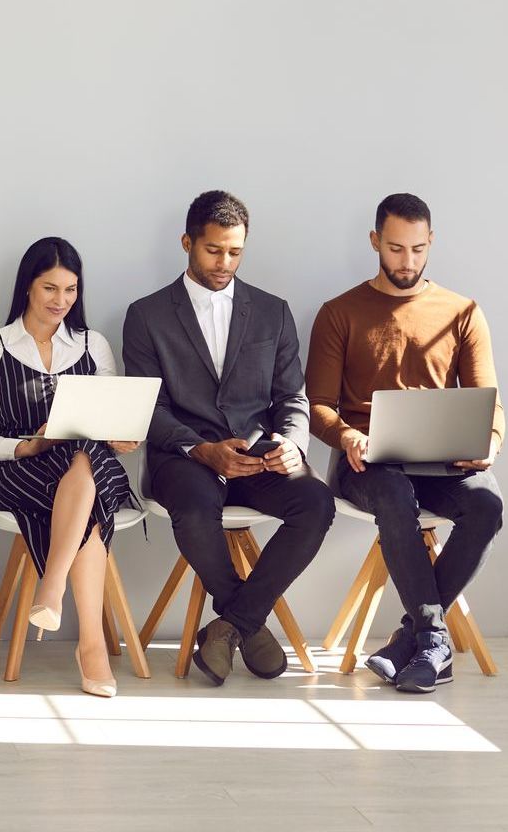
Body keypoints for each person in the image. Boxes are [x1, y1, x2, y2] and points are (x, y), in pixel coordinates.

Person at [121, 190, 334, 686]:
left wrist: (290, 444)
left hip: (260, 454)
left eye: (235, 252)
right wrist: (201, 449)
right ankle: (249, 622)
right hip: (184, 456)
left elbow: (293, 398)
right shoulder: (146, 315)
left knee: (317, 504)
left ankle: (231, 624)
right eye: (213, 250)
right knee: (196, 508)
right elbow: (148, 406)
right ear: (187, 243)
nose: (224, 262)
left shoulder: (273, 312)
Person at [307, 193, 505, 694]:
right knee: (395, 496)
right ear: (375, 241)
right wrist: (347, 434)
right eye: (395, 249)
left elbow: (491, 402)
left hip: (440, 461)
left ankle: (411, 636)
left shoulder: (463, 312)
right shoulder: (338, 313)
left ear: (431, 242)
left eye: (418, 250)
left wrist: (492, 442)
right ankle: (434, 640)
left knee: (487, 503)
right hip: (366, 464)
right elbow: (318, 406)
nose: (407, 262)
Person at [0, 237, 139, 697]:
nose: (61, 301)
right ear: (27, 287)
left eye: (71, 290)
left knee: (85, 454)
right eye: (50, 289)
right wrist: (27, 445)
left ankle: (52, 586)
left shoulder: (92, 345)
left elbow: (110, 420)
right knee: (90, 502)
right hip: (26, 469)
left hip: (94, 464)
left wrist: (122, 436)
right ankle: (91, 646)